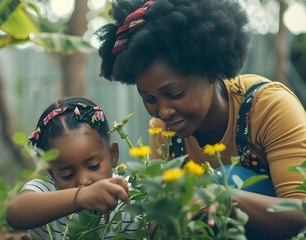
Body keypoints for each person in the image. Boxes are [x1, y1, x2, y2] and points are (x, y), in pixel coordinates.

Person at [95, 0, 306, 239]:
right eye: (150, 99)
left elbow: (300, 214)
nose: (163, 112)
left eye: (175, 94)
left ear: (210, 71)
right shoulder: (165, 132)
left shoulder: (268, 107)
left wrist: (223, 196)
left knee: (224, 182)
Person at [6, 97, 139, 240]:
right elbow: (15, 213)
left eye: (93, 166)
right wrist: (79, 197)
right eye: (67, 175)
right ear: (53, 172)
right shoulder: (46, 190)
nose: (84, 181)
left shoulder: (130, 197)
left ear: (113, 155)